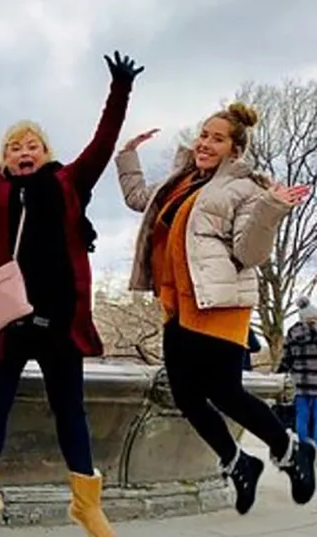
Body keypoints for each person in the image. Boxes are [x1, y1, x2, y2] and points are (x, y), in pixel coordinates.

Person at [0, 51, 141, 537]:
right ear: (4, 157)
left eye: (32, 145)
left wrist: (120, 90)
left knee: (71, 410)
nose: (23, 151)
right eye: (13, 147)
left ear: (45, 152)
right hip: (7, 323)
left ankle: (86, 504)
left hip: (60, 321)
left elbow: (103, 142)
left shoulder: (70, 182)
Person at [116, 103, 315, 516]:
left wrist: (271, 209)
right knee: (186, 396)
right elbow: (139, 200)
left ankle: (292, 451)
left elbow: (249, 251)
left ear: (234, 149)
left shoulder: (245, 189)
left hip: (219, 302)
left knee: (224, 392)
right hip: (178, 305)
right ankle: (240, 462)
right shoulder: (181, 181)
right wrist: (127, 155)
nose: (204, 143)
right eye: (203, 135)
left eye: (216, 138)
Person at [283, 297, 317, 443]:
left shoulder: (292, 332)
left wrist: (283, 370)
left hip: (300, 381)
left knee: (301, 414)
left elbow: (287, 357)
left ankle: (303, 445)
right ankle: (315, 444)